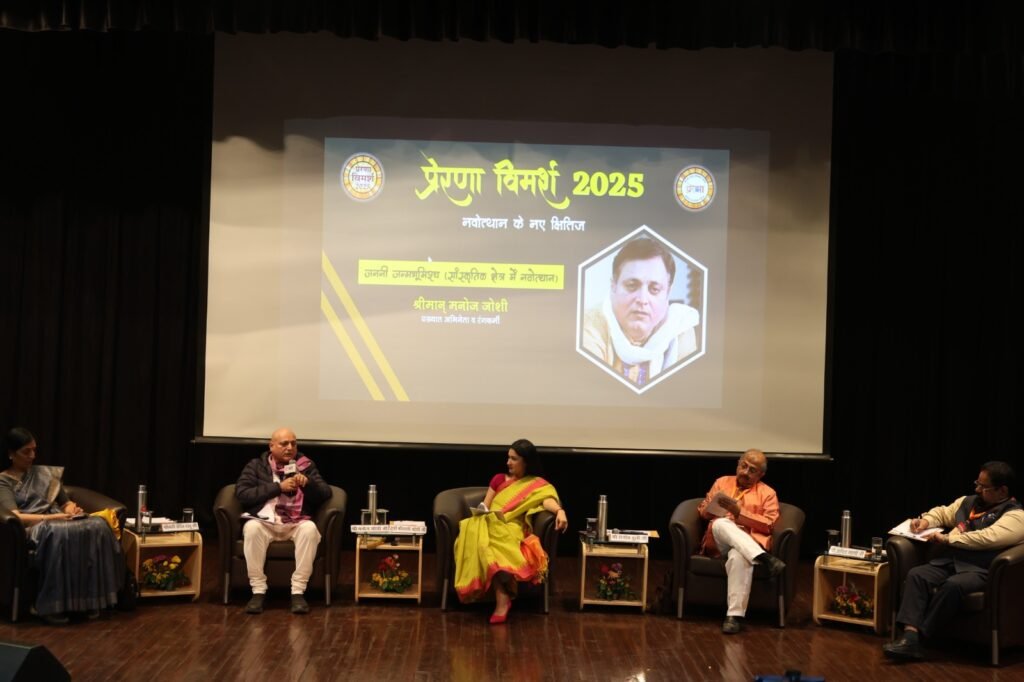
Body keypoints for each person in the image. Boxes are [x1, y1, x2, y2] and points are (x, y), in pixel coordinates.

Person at [883, 461, 1024, 661]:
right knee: (917, 575)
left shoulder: (1016, 516)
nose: (977, 489)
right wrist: (926, 521)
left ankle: (919, 639)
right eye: (977, 483)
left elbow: (987, 538)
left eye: (984, 487)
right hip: (951, 561)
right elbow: (943, 513)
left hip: (980, 569)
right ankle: (910, 635)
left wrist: (948, 539)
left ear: (1002, 490)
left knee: (953, 586)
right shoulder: (968, 502)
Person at [0, 427, 122, 625]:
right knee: (58, 532)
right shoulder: (3, 481)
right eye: (26, 451)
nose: (32, 456)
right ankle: (51, 606)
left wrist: (72, 509)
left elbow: (65, 503)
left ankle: (88, 602)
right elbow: (17, 517)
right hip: (34, 526)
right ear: (11, 454)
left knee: (97, 525)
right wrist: (53, 518)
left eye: (34, 450)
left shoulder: (45, 475)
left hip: (59, 519)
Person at [453, 438, 568, 624]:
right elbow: (485, 505)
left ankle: (503, 593)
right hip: (491, 521)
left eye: (514, 459)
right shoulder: (498, 479)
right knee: (477, 533)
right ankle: (503, 593)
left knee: (486, 542)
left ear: (526, 462)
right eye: (508, 458)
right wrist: (482, 512)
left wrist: (560, 511)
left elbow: (547, 499)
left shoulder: (536, 485)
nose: (508, 462)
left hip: (512, 527)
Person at [235, 427, 331, 615]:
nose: (290, 448)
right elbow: (242, 494)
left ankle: (298, 592)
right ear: (271, 446)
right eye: (284, 444)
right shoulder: (256, 465)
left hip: (296, 522)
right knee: (252, 528)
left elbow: (325, 493)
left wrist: (308, 483)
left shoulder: (306, 465)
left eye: (293, 444)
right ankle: (258, 591)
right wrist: (278, 487)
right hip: (265, 521)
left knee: (310, 529)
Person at [582, 236, 700, 387]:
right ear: (613, 286)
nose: (643, 299)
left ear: (667, 293)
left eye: (654, 289)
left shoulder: (679, 330)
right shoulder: (588, 325)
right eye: (632, 285)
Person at [697, 448, 786, 634]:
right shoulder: (722, 482)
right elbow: (703, 512)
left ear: (761, 475)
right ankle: (765, 558)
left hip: (747, 543)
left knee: (739, 556)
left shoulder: (768, 493)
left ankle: (734, 617)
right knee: (721, 523)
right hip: (719, 541)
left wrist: (740, 513)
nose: (745, 472)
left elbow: (769, 525)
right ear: (738, 464)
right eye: (744, 466)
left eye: (752, 470)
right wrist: (712, 509)